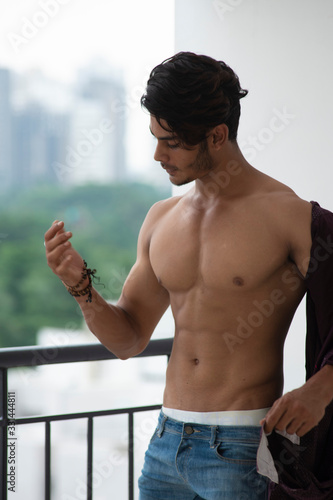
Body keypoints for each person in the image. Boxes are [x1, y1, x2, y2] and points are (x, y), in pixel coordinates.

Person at [45, 52, 333, 499]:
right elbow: (129, 340)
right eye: (156, 138)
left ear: (217, 136)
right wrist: (81, 288)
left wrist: (321, 388)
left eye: (173, 142)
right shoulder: (161, 219)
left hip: (241, 448)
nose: (158, 154)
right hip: (164, 445)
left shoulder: (288, 217)